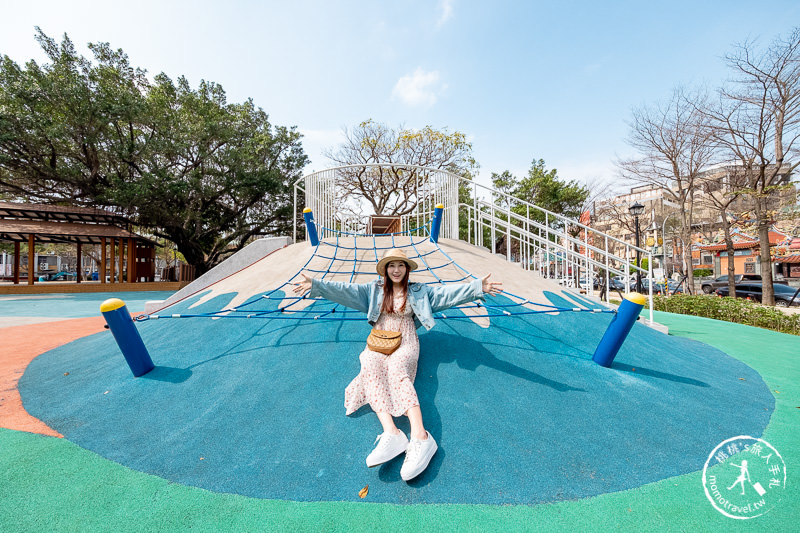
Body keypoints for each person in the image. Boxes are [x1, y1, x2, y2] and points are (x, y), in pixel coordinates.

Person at [293, 247, 502, 481]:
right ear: (385, 269)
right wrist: (316, 285)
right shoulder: (373, 290)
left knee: (396, 370)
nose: (396, 269)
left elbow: (446, 295)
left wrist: (476, 287)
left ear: (407, 269)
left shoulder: (419, 292)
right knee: (369, 363)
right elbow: (345, 290)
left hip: (406, 341)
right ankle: (391, 432)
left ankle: (421, 437)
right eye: (391, 265)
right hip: (380, 340)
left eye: (401, 265)